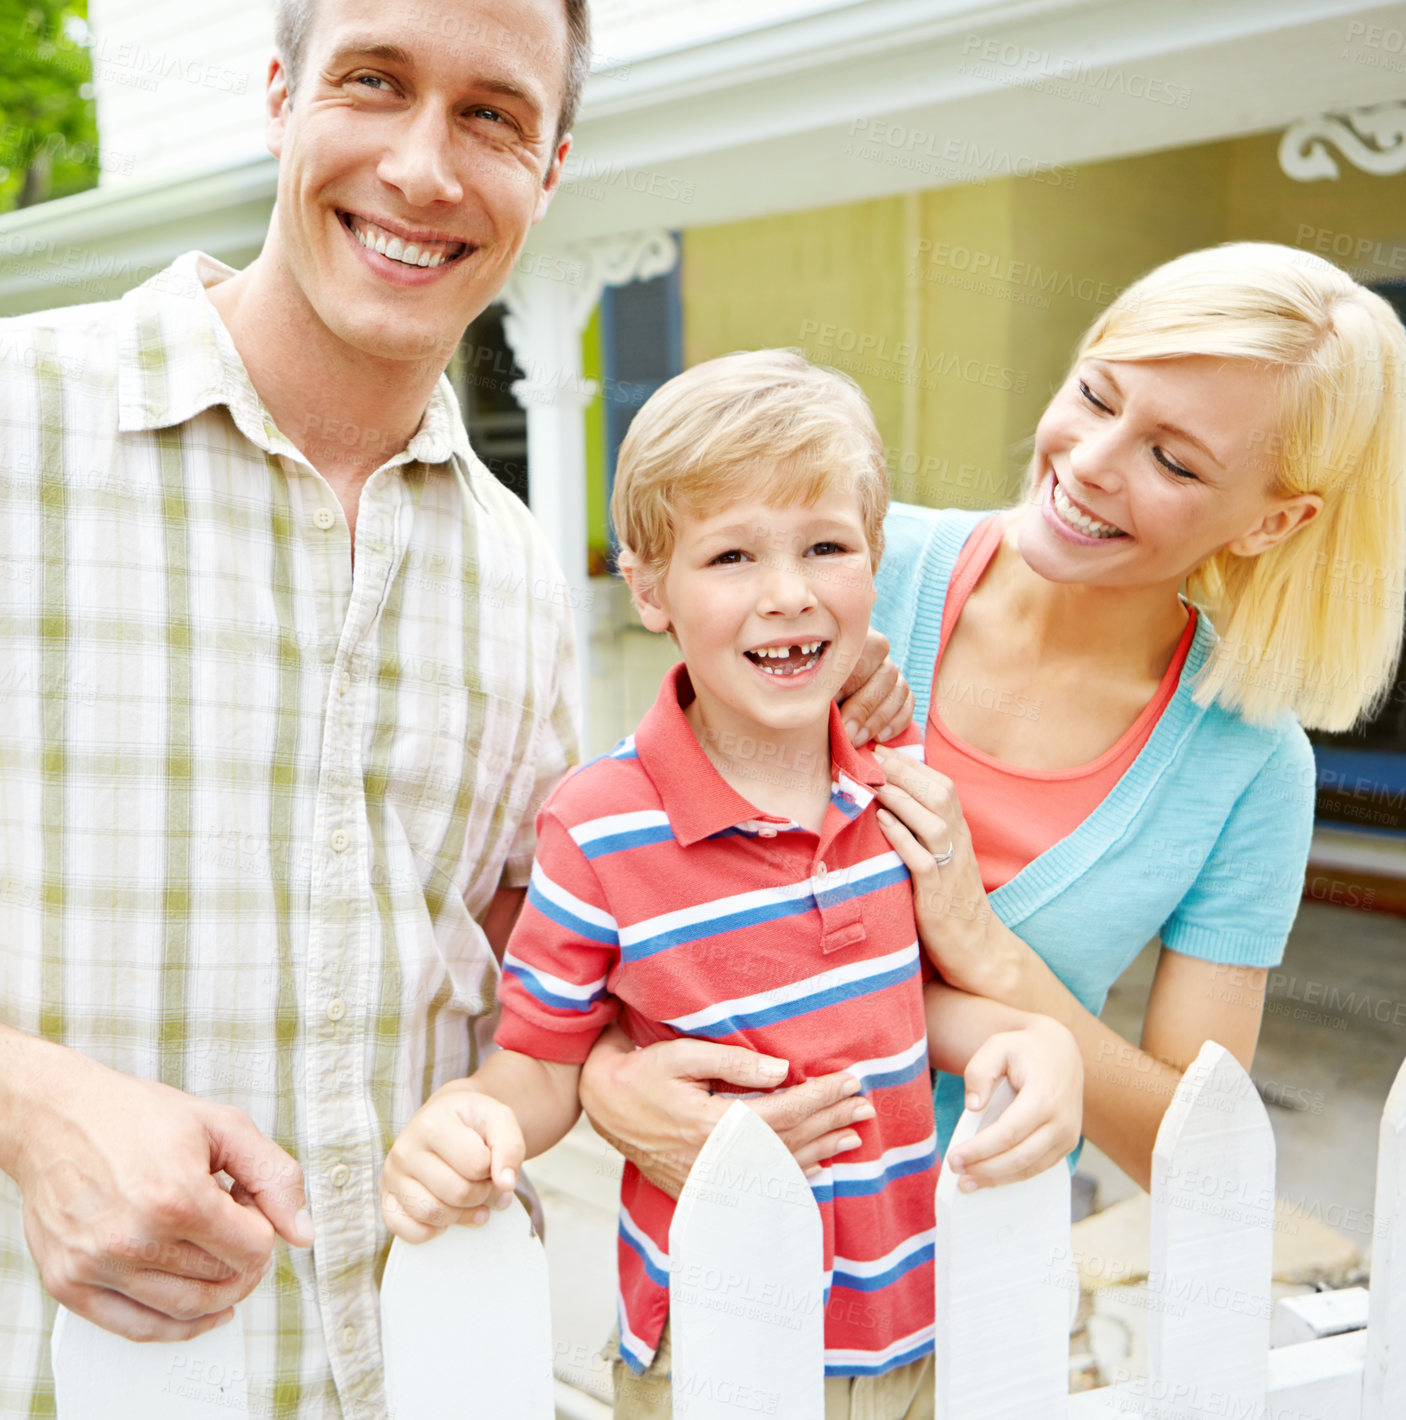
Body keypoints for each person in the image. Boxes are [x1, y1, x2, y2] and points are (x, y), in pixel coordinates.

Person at [0, 1, 591, 1414]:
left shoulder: (520, 570)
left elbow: (549, 979)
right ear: (279, 96)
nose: (423, 170)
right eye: (373, 82)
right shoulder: (16, 422)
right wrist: (27, 1101)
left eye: (492, 115)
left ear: (550, 169)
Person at [577, 243, 1406, 1198]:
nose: (1090, 463)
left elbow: (1198, 1152)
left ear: (1273, 523)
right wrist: (607, 1080)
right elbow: (617, 886)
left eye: (1173, 460)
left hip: (993, 1258)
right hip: (729, 1243)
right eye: (1096, 396)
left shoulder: (1250, 764)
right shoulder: (833, 575)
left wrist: (989, 955)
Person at [381, 350, 1084, 1417]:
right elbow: (541, 1066)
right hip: (713, 1344)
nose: (787, 593)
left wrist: (1029, 1042)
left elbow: (900, 1005)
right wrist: (467, 1118)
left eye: (824, 546)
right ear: (648, 589)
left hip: (918, 1330)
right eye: (731, 556)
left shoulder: (891, 784)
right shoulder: (598, 827)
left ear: (874, 561)